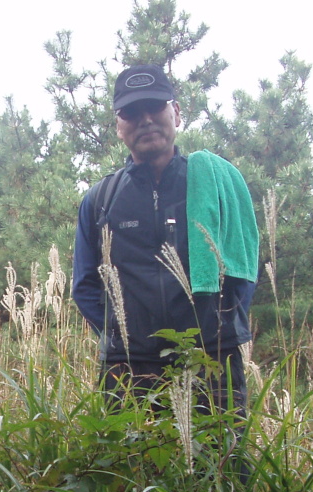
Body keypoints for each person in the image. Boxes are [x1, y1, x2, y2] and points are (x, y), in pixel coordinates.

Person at [72, 63, 259, 414]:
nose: (145, 120)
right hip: (128, 369)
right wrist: (125, 337)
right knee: (133, 468)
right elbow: (84, 287)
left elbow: (242, 269)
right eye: (131, 112)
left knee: (224, 464)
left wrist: (218, 326)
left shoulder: (210, 186)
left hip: (211, 362)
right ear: (118, 127)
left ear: (176, 112)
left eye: (154, 107)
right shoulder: (101, 199)